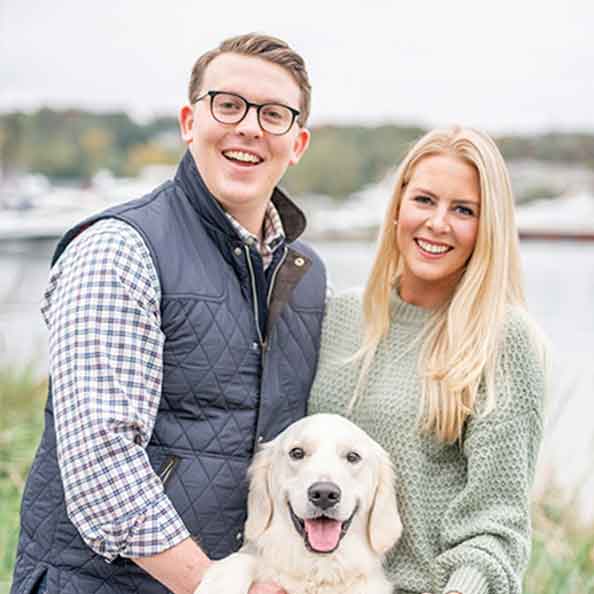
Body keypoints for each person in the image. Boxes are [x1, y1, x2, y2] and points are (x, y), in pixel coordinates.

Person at [11, 34, 326, 594]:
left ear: (297, 142)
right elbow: (100, 462)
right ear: (189, 120)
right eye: (228, 105)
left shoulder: (304, 274)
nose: (249, 127)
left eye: (273, 114)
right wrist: (215, 586)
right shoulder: (120, 248)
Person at [308, 126, 548, 594]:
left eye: (463, 210)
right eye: (424, 200)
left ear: (488, 227)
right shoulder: (337, 316)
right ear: (397, 206)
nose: (438, 223)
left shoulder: (504, 339)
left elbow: (497, 528)